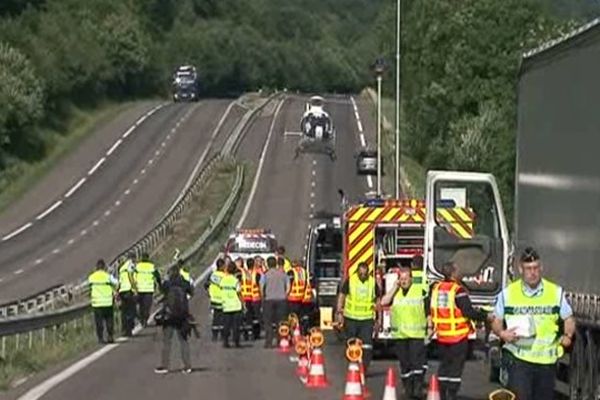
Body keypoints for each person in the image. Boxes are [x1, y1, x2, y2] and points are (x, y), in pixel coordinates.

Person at [491, 247, 576, 400]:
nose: (533, 272)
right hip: (518, 360)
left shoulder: (555, 292)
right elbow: (496, 320)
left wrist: (568, 336)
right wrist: (502, 333)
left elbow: (568, 318)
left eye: (536, 268)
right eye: (528, 268)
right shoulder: (508, 293)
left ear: (541, 267)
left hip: (546, 362)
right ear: (520, 269)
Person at [430, 261, 492, 400]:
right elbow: (468, 311)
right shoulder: (458, 291)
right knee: (455, 369)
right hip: (457, 336)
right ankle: (451, 394)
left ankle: (441, 393)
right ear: (453, 273)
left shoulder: (436, 288)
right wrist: (485, 316)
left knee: (444, 366)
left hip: (442, 335)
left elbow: (430, 307)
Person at [381, 265, 429, 399]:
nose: (403, 281)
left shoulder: (419, 290)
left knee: (417, 364)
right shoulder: (396, 291)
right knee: (405, 364)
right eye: (401, 279)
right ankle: (408, 389)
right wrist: (394, 288)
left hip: (416, 335)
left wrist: (430, 326)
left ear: (411, 279)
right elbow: (384, 301)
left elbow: (427, 309)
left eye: (406, 278)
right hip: (400, 335)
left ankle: (417, 389)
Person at [335, 261, 381, 371]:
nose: (363, 276)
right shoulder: (351, 280)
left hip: (367, 319)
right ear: (357, 272)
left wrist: (378, 319)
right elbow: (342, 295)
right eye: (361, 274)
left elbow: (378, 300)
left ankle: (363, 368)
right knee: (351, 343)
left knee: (367, 346)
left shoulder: (372, 282)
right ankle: (353, 365)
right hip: (351, 318)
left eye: (365, 274)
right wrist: (339, 312)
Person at [154, 263, 194, 374]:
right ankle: (187, 366)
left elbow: (162, 290)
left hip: (169, 316)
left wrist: (159, 279)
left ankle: (164, 366)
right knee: (184, 341)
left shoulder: (167, 283)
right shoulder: (184, 283)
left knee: (167, 341)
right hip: (182, 316)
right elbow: (191, 292)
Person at [261, 256, 290, 348]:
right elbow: (288, 286)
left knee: (268, 322)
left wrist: (263, 297)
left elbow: (261, 287)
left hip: (269, 300)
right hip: (281, 300)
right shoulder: (283, 274)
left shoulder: (265, 275)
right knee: (280, 321)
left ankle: (268, 342)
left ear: (268, 264)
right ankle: (280, 340)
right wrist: (285, 295)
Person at [88, 259, 117, 344]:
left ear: (96, 267)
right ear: (104, 267)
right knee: (109, 320)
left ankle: (100, 338)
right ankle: (110, 336)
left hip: (97, 303)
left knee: (99, 322)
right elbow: (116, 282)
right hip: (107, 302)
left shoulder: (92, 277)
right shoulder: (108, 276)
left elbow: (89, 287)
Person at [220, 262, 244, 348]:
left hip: (226, 306)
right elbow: (239, 293)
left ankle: (225, 341)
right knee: (236, 326)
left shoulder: (222, 280)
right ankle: (236, 342)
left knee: (226, 325)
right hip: (236, 306)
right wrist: (243, 304)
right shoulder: (235, 281)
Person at [135, 252, 161, 327]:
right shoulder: (151, 266)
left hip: (139, 289)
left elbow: (133, 276)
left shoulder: (137, 266)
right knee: (147, 306)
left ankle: (142, 319)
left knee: (141, 306)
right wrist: (160, 284)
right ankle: (144, 320)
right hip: (149, 289)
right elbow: (157, 276)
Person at [240, 257, 263, 340]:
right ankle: (256, 333)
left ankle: (248, 332)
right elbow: (260, 286)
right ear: (253, 264)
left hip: (245, 298)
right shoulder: (256, 274)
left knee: (247, 317)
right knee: (256, 317)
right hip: (256, 298)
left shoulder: (243, 274)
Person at [204, 258, 226, 341]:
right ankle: (223, 335)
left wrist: (209, 292)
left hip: (214, 299)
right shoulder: (224, 276)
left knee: (216, 317)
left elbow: (205, 285)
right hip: (223, 299)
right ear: (223, 266)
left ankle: (215, 335)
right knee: (223, 318)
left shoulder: (212, 275)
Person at [117, 253, 137, 337]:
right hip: (128, 290)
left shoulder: (122, 267)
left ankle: (124, 329)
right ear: (132, 258)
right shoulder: (130, 265)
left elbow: (120, 280)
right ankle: (129, 329)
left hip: (122, 290)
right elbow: (130, 276)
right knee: (131, 310)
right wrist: (134, 287)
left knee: (124, 312)